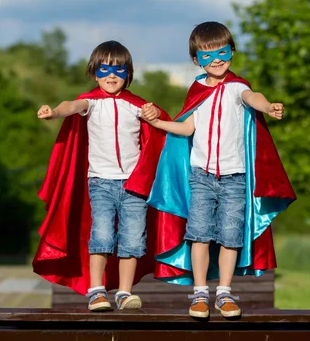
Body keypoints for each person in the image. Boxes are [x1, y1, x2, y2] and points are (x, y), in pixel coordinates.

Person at [141, 22, 296, 319]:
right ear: (196, 59)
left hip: (234, 177)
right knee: (199, 234)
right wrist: (158, 123)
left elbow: (254, 97)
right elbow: (187, 127)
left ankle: (224, 293)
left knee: (229, 236)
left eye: (221, 52)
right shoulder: (197, 89)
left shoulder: (239, 87)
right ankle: (200, 293)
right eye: (206, 55)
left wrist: (267, 108)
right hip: (201, 176)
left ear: (232, 52)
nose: (215, 60)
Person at [32, 40, 172, 312]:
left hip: (135, 185)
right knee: (102, 235)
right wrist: (54, 113)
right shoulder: (91, 103)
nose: (111, 75)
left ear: (128, 74)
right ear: (95, 72)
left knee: (133, 239)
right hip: (101, 183)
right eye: (105, 69)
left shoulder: (137, 105)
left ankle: (124, 292)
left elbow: (159, 127)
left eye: (118, 70)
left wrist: (154, 114)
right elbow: (70, 105)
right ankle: (96, 291)